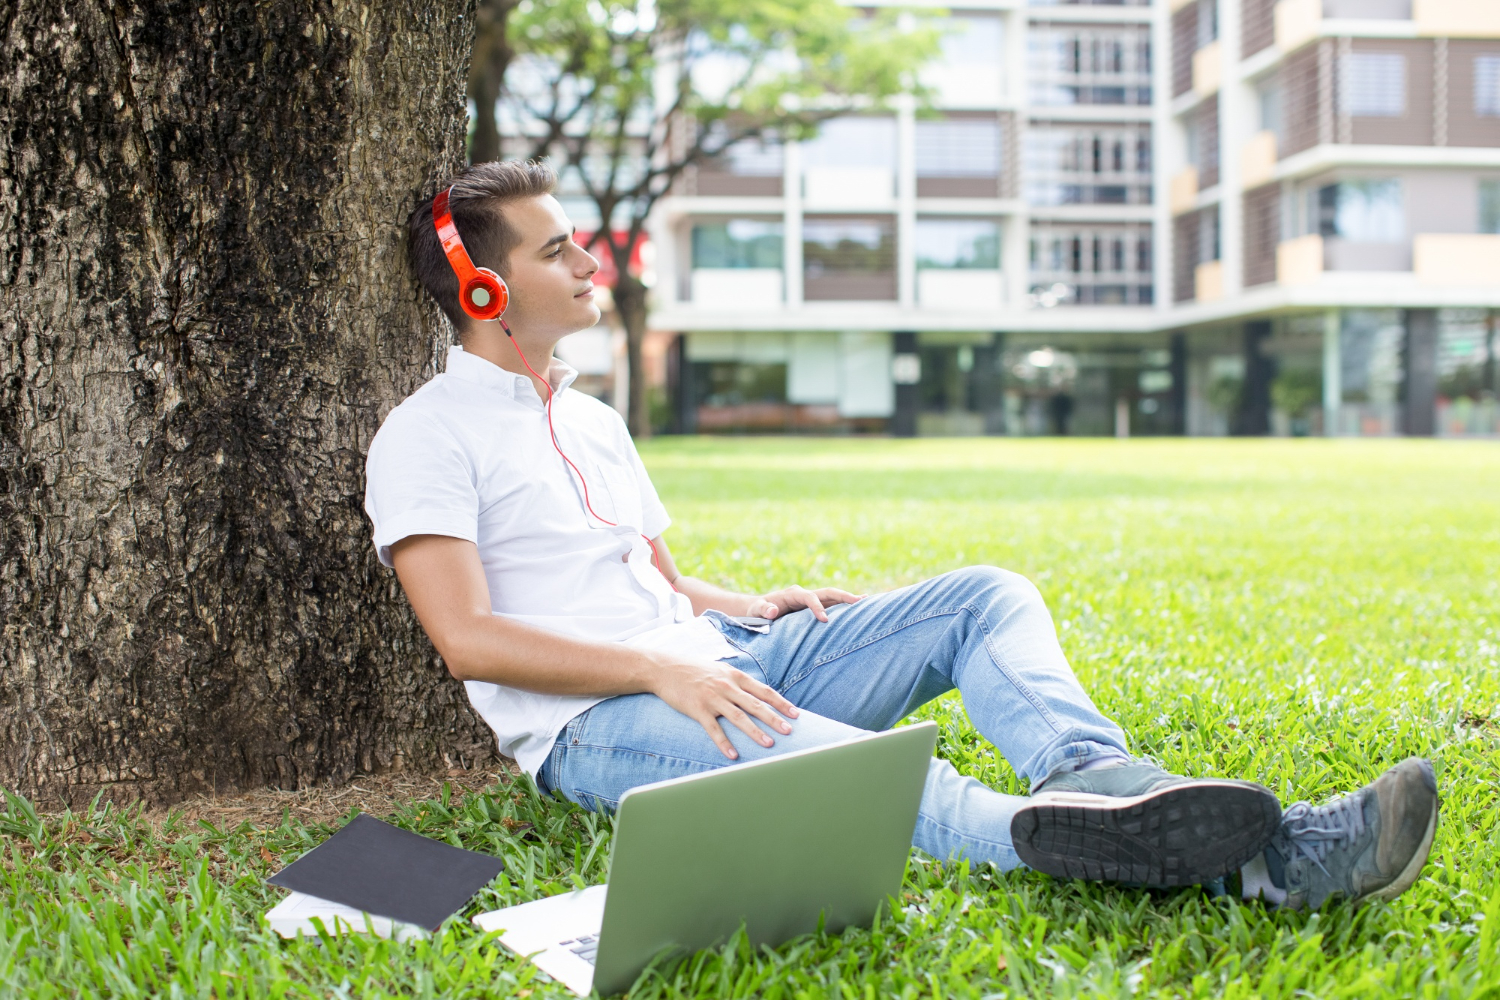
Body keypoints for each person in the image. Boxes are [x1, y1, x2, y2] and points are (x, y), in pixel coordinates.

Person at [364, 160, 1438, 908]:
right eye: (560, 251)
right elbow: (470, 640)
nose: (593, 262)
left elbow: (661, 581)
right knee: (881, 773)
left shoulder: (592, 418)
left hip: (723, 661)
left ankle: (1099, 777)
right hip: (598, 725)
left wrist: (745, 607)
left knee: (986, 593)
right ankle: (1275, 859)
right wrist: (657, 671)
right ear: (485, 287)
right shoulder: (425, 438)